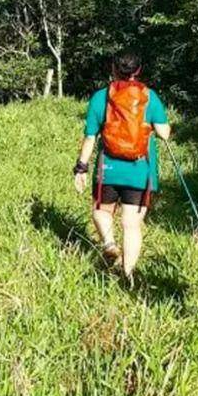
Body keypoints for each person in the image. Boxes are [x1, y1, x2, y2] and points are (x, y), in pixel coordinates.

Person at [74, 52, 170, 286]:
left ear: (113, 70)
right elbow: (164, 133)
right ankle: (127, 277)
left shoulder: (101, 97)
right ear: (139, 71)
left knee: (101, 212)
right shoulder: (149, 97)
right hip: (140, 170)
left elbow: (90, 137)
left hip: (108, 168)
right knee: (131, 224)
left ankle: (109, 245)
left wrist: (81, 168)